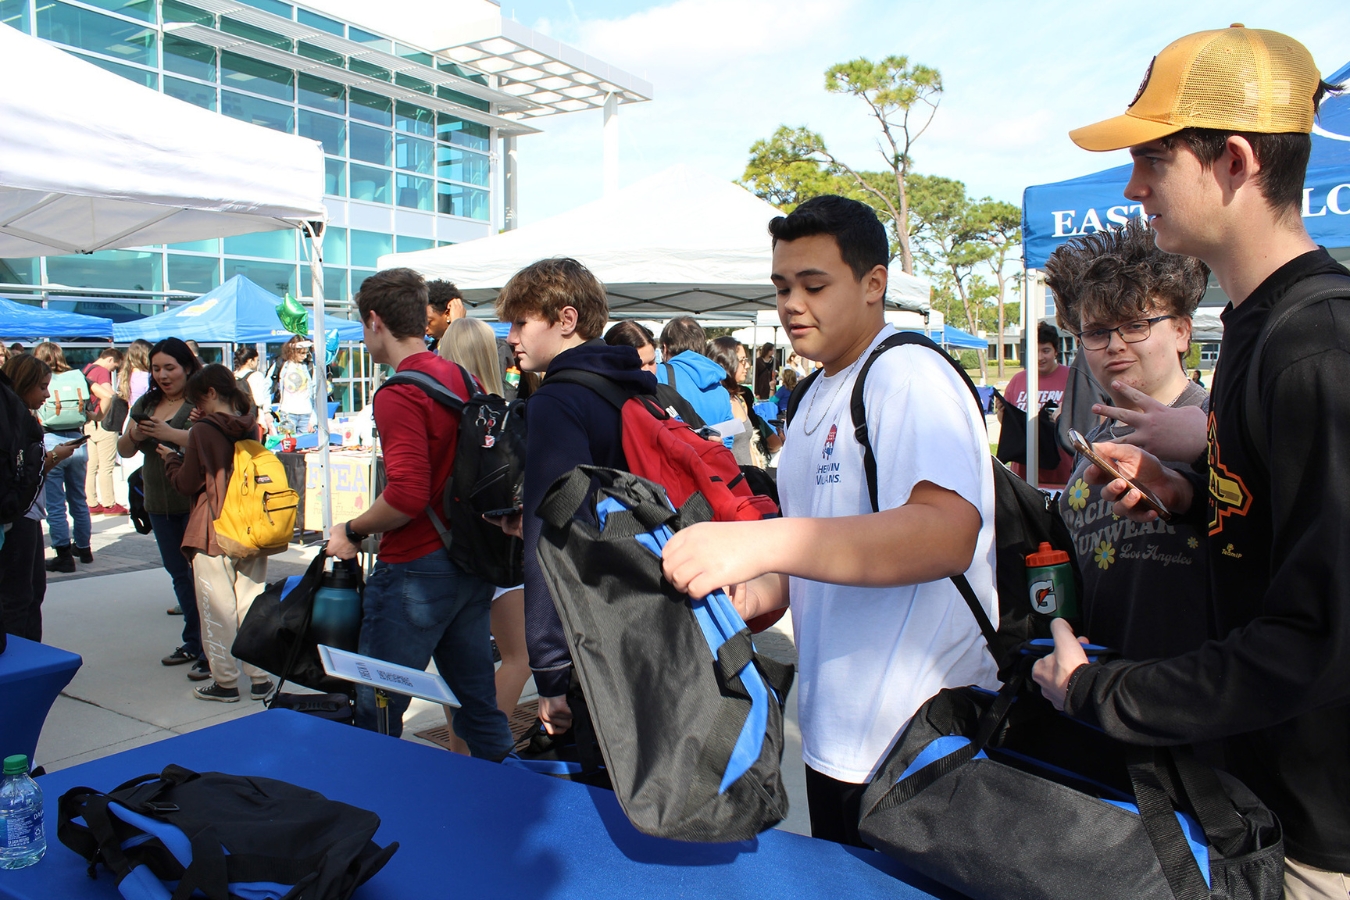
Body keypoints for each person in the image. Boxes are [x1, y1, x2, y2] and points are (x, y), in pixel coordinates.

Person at [1027, 27, 1350, 896]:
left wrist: (1102, 692)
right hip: (1247, 806)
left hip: (1319, 838)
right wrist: (1187, 497)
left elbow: (1320, 636)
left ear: (1235, 161)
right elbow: (1280, 541)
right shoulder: (1257, 327)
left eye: (1153, 161)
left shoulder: (1317, 345)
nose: (1134, 190)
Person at [661, 195, 999, 847]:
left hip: (921, 740)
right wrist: (751, 590)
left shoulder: (907, 374)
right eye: (783, 286)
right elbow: (816, 553)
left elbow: (946, 534)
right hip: (834, 736)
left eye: (814, 285)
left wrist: (758, 541)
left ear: (874, 285)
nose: (792, 304)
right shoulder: (813, 393)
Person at [326, 268, 513, 759]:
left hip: (416, 570)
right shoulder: (461, 377)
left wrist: (350, 529)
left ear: (374, 321)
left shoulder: (398, 393)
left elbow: (407, 494)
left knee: (379, 706)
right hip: (468, 562)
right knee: (478, 704)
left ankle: (379, 803)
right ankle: (511, 797)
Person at [496, 257, 657, 739]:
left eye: (522, 321)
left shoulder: (557, 400)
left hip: (597, 626)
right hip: (650, 601)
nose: (511, 336)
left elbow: (555, 536)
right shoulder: (635, 385)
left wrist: (550, 668)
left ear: (566, 320)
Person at [1044, 219, 1211, 660]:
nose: (1115, 345)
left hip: (1197, 691)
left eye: (1136, 325)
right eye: (1098, 332)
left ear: (1181, 331)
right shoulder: (1090, 444)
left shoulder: (1219, 426)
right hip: (1100, 688)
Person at [436, 317, 531, 754]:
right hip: (499, 550)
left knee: (461, 671)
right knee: (518, 657)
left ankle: (462, 754)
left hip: (447, 554)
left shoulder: (434, 415)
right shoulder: (501, 414)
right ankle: (484, 748)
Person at [161, 365, 274, 703]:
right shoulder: (250, 423)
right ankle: (260, 678)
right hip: (252, 527)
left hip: (213, 530)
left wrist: (170, 460)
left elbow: (187, 482)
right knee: (251, 604)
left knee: (216, 609)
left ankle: (225, 682)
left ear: (209, 393)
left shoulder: (202, 431)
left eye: (200, 399)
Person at [118, 338, 207, 678]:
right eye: (156, 368)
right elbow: (124, 449)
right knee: (179, 577)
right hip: (158, 503)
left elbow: (213, 443)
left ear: (187, 366)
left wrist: (171, 433)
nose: (163, 375)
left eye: (170, 367)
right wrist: (137, 435)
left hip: (194, 503)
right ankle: (193, 641)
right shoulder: (146, 401)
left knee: (201, 579)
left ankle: (209, 650)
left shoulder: (201, 400)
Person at [1, 354, 80, 642]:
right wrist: (49, 460)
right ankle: (21, 661)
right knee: (19, 595)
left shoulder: (19, 417)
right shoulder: (14, 420)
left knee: (31, 591)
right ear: (24, 385)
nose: (48, 394)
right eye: (43, 387)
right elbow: (17, 473)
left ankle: (30, 657)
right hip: (18, 517)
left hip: (26, 514)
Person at [33, 342, 92, 573]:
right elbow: (107, 396)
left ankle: (63, 554)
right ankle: (85, 549)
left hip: (51, 440)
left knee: (56, 503)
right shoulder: (77, 377)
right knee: (79, 497)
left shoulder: (42, 381)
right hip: (78, 440)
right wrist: (94, 416)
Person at [999, 321, 1074, 487]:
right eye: (1035, 351)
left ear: (1055, 350)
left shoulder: (1072, 379)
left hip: (1063, 473)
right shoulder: (1018, 380)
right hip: (1024, 475)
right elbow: (1009, 423)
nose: (1040, 357)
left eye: (1045, 350)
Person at [655, 316, 735, 436]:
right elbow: (727, 438)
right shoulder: (720, 386)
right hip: (711, 453)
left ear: (665, 348)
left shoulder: (656, 374)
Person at [709, 336, 780, 467]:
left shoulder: (738, 399)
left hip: (748, 480)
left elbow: (748, 447)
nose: (747, 365)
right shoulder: (714, 401)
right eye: (742, 360)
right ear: (726, 362)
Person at [83, 348, 123, 516]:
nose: (112, 370)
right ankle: (109, 503)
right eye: (114, 367)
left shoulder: (87, 369)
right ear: (109, 359)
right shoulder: (101, 371)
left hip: (89, 422)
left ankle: (91, 502)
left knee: (91, 465)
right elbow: (108, 394)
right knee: (106, 466)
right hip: (103, 421)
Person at [276, 336, 316, 434]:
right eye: (302, 353)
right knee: (288, 445)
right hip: (287, 413)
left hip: (306, 413)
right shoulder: (282, 364)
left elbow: (315, 392)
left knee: (306, 445)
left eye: (307, 352)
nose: (305, 356)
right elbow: (267, 385)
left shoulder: (310, 366)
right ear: (293, 351)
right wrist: (266, 411)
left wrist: (314, 418)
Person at [233, 346, 272, 436]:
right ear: (250, 361)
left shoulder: (233, 375)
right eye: (257, 360)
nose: (258, 363)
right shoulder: (256, 375)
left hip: (237, 419)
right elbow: (260, 400)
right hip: (254, 419)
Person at [425, 279, 466, 353]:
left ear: (448, 313)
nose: (425, 328)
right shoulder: (431, 349)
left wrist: (457, 325)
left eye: (428, 322)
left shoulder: (470, 344)